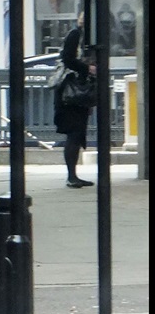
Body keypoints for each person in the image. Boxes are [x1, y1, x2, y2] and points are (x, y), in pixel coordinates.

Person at [55, 12, 95, 188]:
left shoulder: (84, 37)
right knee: (74, 133)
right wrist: (87, 68)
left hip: (78, 92)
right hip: (71, 93)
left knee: (77, 133)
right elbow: (68, 59)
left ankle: (73, 175)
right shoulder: (75, 35)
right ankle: (71, 175)